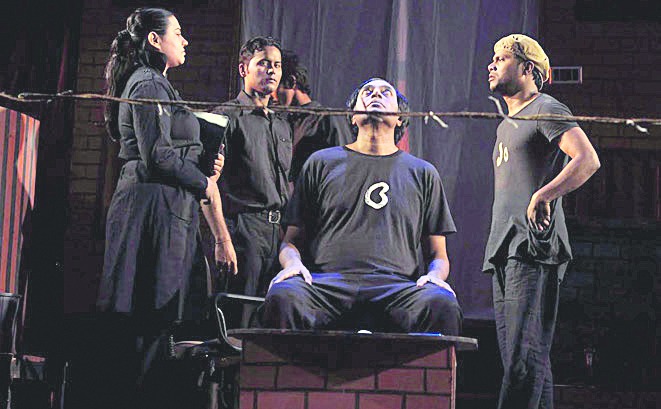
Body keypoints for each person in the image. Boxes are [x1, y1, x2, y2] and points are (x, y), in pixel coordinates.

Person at [96, 8, 232, 409]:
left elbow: (170, 150)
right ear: (155, 40)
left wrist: (205, 161)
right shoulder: (147, 84)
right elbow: (157, 155)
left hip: (168, 208)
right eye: (178, 33)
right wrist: (203, 181)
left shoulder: (159, 85)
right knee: (148, 317)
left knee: (159, 321)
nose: (185, 41)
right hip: (151, 211)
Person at [260, 78, 462, 335]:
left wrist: (435, 276)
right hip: (327, 285)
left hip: (396, 288)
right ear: (353, 117)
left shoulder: (423, 173)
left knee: (442, 304)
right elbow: (291, 242)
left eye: (385, 92)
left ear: (400, 118)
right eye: (367, 92)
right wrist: (292, 265)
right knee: (283, 296)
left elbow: (437, 255)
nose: (376, 94)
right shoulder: (321, 163)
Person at [484, 34, 601, 409]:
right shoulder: (506, 124)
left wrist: (545, 195)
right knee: (525, 360)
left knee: (523, 360)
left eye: (502, 58)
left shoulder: (545, 107)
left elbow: (587, 159)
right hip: (504, 247)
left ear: (527, 68)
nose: (491, 64)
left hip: (531, 246)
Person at [212, 36, 293, 327]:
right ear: (243, 69)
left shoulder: (282, 123)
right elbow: (207, 184)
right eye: (263, 63)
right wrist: (222, 239)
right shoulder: (226, 117)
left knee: (269, 318)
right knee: (239, 319)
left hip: (277, 232)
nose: (271, 70)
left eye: (277, 65)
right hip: (243, 229)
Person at [276, 50, 352, 187]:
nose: (271, 96)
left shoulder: (328, 119)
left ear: (291, 82)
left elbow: (344, 168)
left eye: (275, 87)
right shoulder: (284, 123)